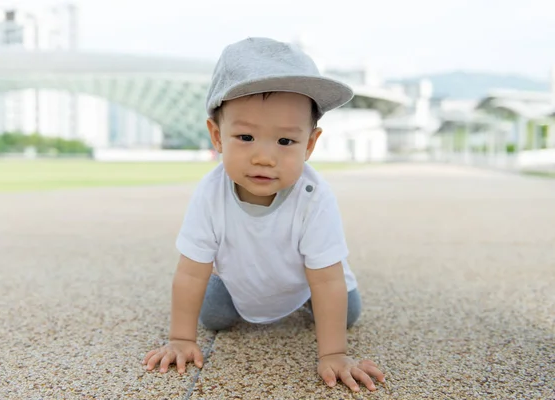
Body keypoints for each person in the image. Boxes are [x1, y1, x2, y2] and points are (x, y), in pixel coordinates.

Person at [143, 37, 385, 393]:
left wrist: (332, 353)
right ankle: (231, 288)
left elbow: (326, 280)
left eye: (285, 142)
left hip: (306, 281)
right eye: (245, 136)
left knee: (344, 312)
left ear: (310, 144)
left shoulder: (313, 197)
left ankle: (303, 305)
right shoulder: (210, 194)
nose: (264, 157)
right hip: (240, 282)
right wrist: (180, 338)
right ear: (217, 136)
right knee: (212, 316)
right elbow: (191, 272)